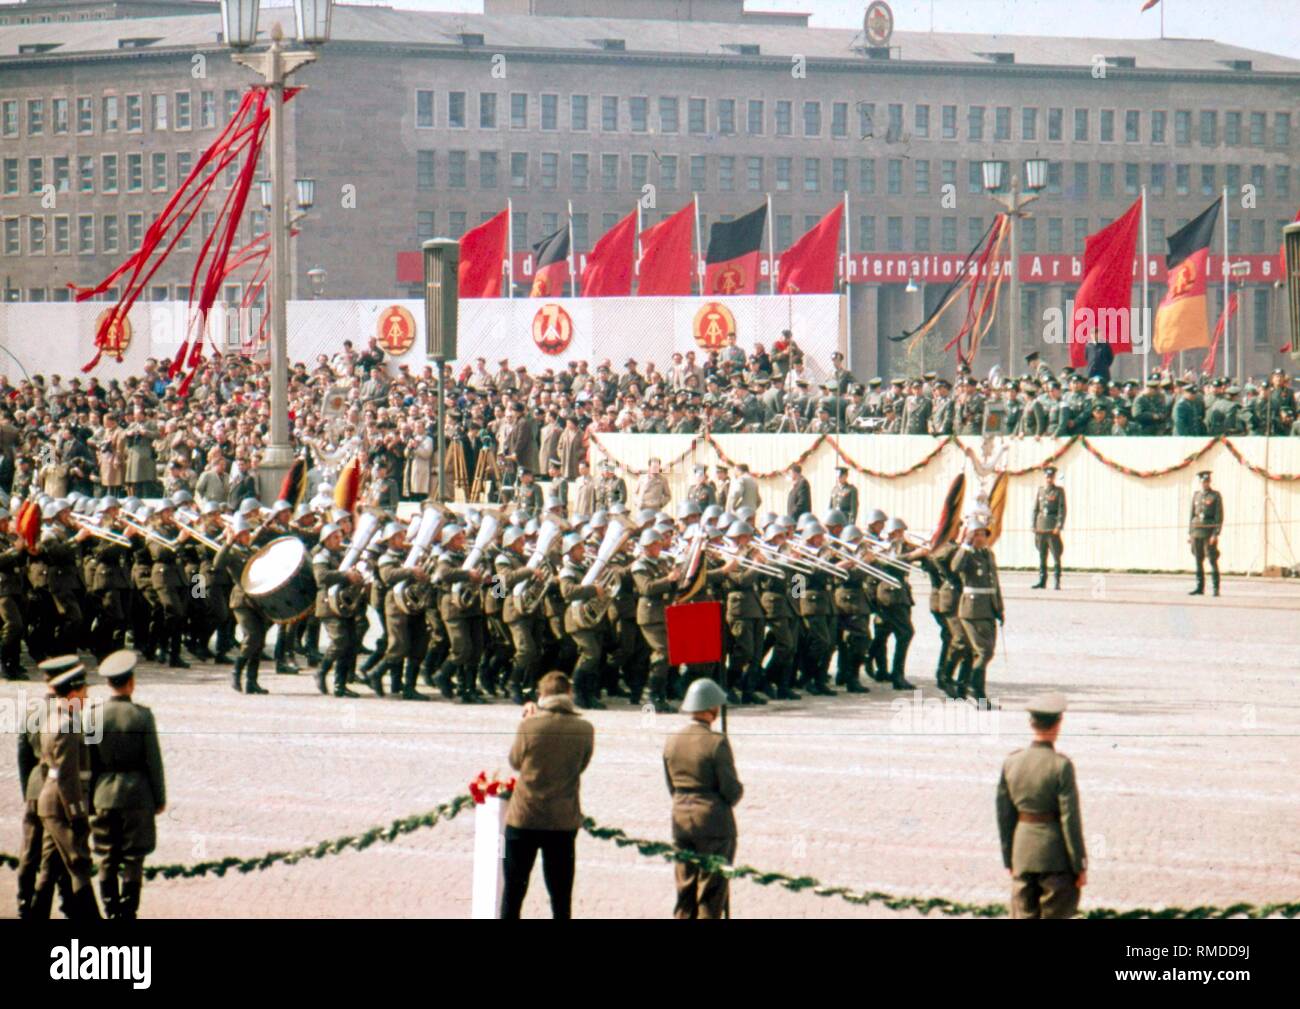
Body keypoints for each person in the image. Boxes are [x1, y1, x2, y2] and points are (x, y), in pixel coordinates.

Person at [500, 671, 595, 919]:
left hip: (524, 818)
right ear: (569, 694)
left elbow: (515, 761)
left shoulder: (529, 725)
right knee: (561, 897)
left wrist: (531, 721)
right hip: (562, 821)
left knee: (513, 892)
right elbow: (582, 765)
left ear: (542, 695)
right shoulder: (584, 728)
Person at [88, 650, 166, 919]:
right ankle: (128, 912)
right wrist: (159, 798)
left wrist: (89, 801)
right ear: (131, 682)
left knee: (107, 856)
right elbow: (153, 762)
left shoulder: (93, 716)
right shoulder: (142, 716)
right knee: (134, 858)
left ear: (108, 683)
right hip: (137, 795)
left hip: (103, 795)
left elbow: (89, 764)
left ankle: (110, 910)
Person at [995, 692, 1087, 919]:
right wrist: (1079, 864)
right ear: (1058, 724)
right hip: (1055, 857)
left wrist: (1009, 858)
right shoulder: (1061, 766)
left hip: (1022, 855)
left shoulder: (1011, 762)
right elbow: (1070, 818)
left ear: (1031, 723)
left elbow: (1004, 817)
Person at [663, 677, 744, 919]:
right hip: (713, 820)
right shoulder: (716, 742)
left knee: (684, 890)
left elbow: (671, 785)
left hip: (680, 818)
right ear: (712, 709)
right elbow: (730, 789)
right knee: (711, 892)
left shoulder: (672, 740)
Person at [31, 661, 101, 920]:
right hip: (62, 805)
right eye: (83, 694)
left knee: (50, 867)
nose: (86, 698)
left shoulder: (53, 720)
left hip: (49, 803)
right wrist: (77, 815)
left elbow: (43, 768)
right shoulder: (68, 725)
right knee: (79, 862)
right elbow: (68, 778)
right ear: (72, 694)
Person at [1031, 466, 1066, 590]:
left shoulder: (1058, 491)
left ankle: (1057, 580)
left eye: (1051, 477)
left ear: (1054, 477)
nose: (1049, 479)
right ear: (1045, 477)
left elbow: (1061, 510)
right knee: (1042, 555)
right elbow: (1035, 509)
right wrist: (1033, 525)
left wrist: (1059, 526)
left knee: (1056, 554)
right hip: (1041, 528)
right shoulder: (1040, 491)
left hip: (1052, 527)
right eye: (1047, 476)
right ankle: (1042, 580)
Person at [1189, 470, 1223, 596]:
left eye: (1207, 481)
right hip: (1196, 532)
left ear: (1210, 482)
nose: (1205, 484)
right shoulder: (1196, 495)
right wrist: (1190, 533)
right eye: (1203, 482)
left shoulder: (1215, 496)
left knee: (1212, 560)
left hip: (1208, 533)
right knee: (1198, 560)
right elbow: (1191, 515)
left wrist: (1215, 534)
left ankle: (1215, 588)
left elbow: (1218, 516)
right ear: (1200, 482)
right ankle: (1199, 587)